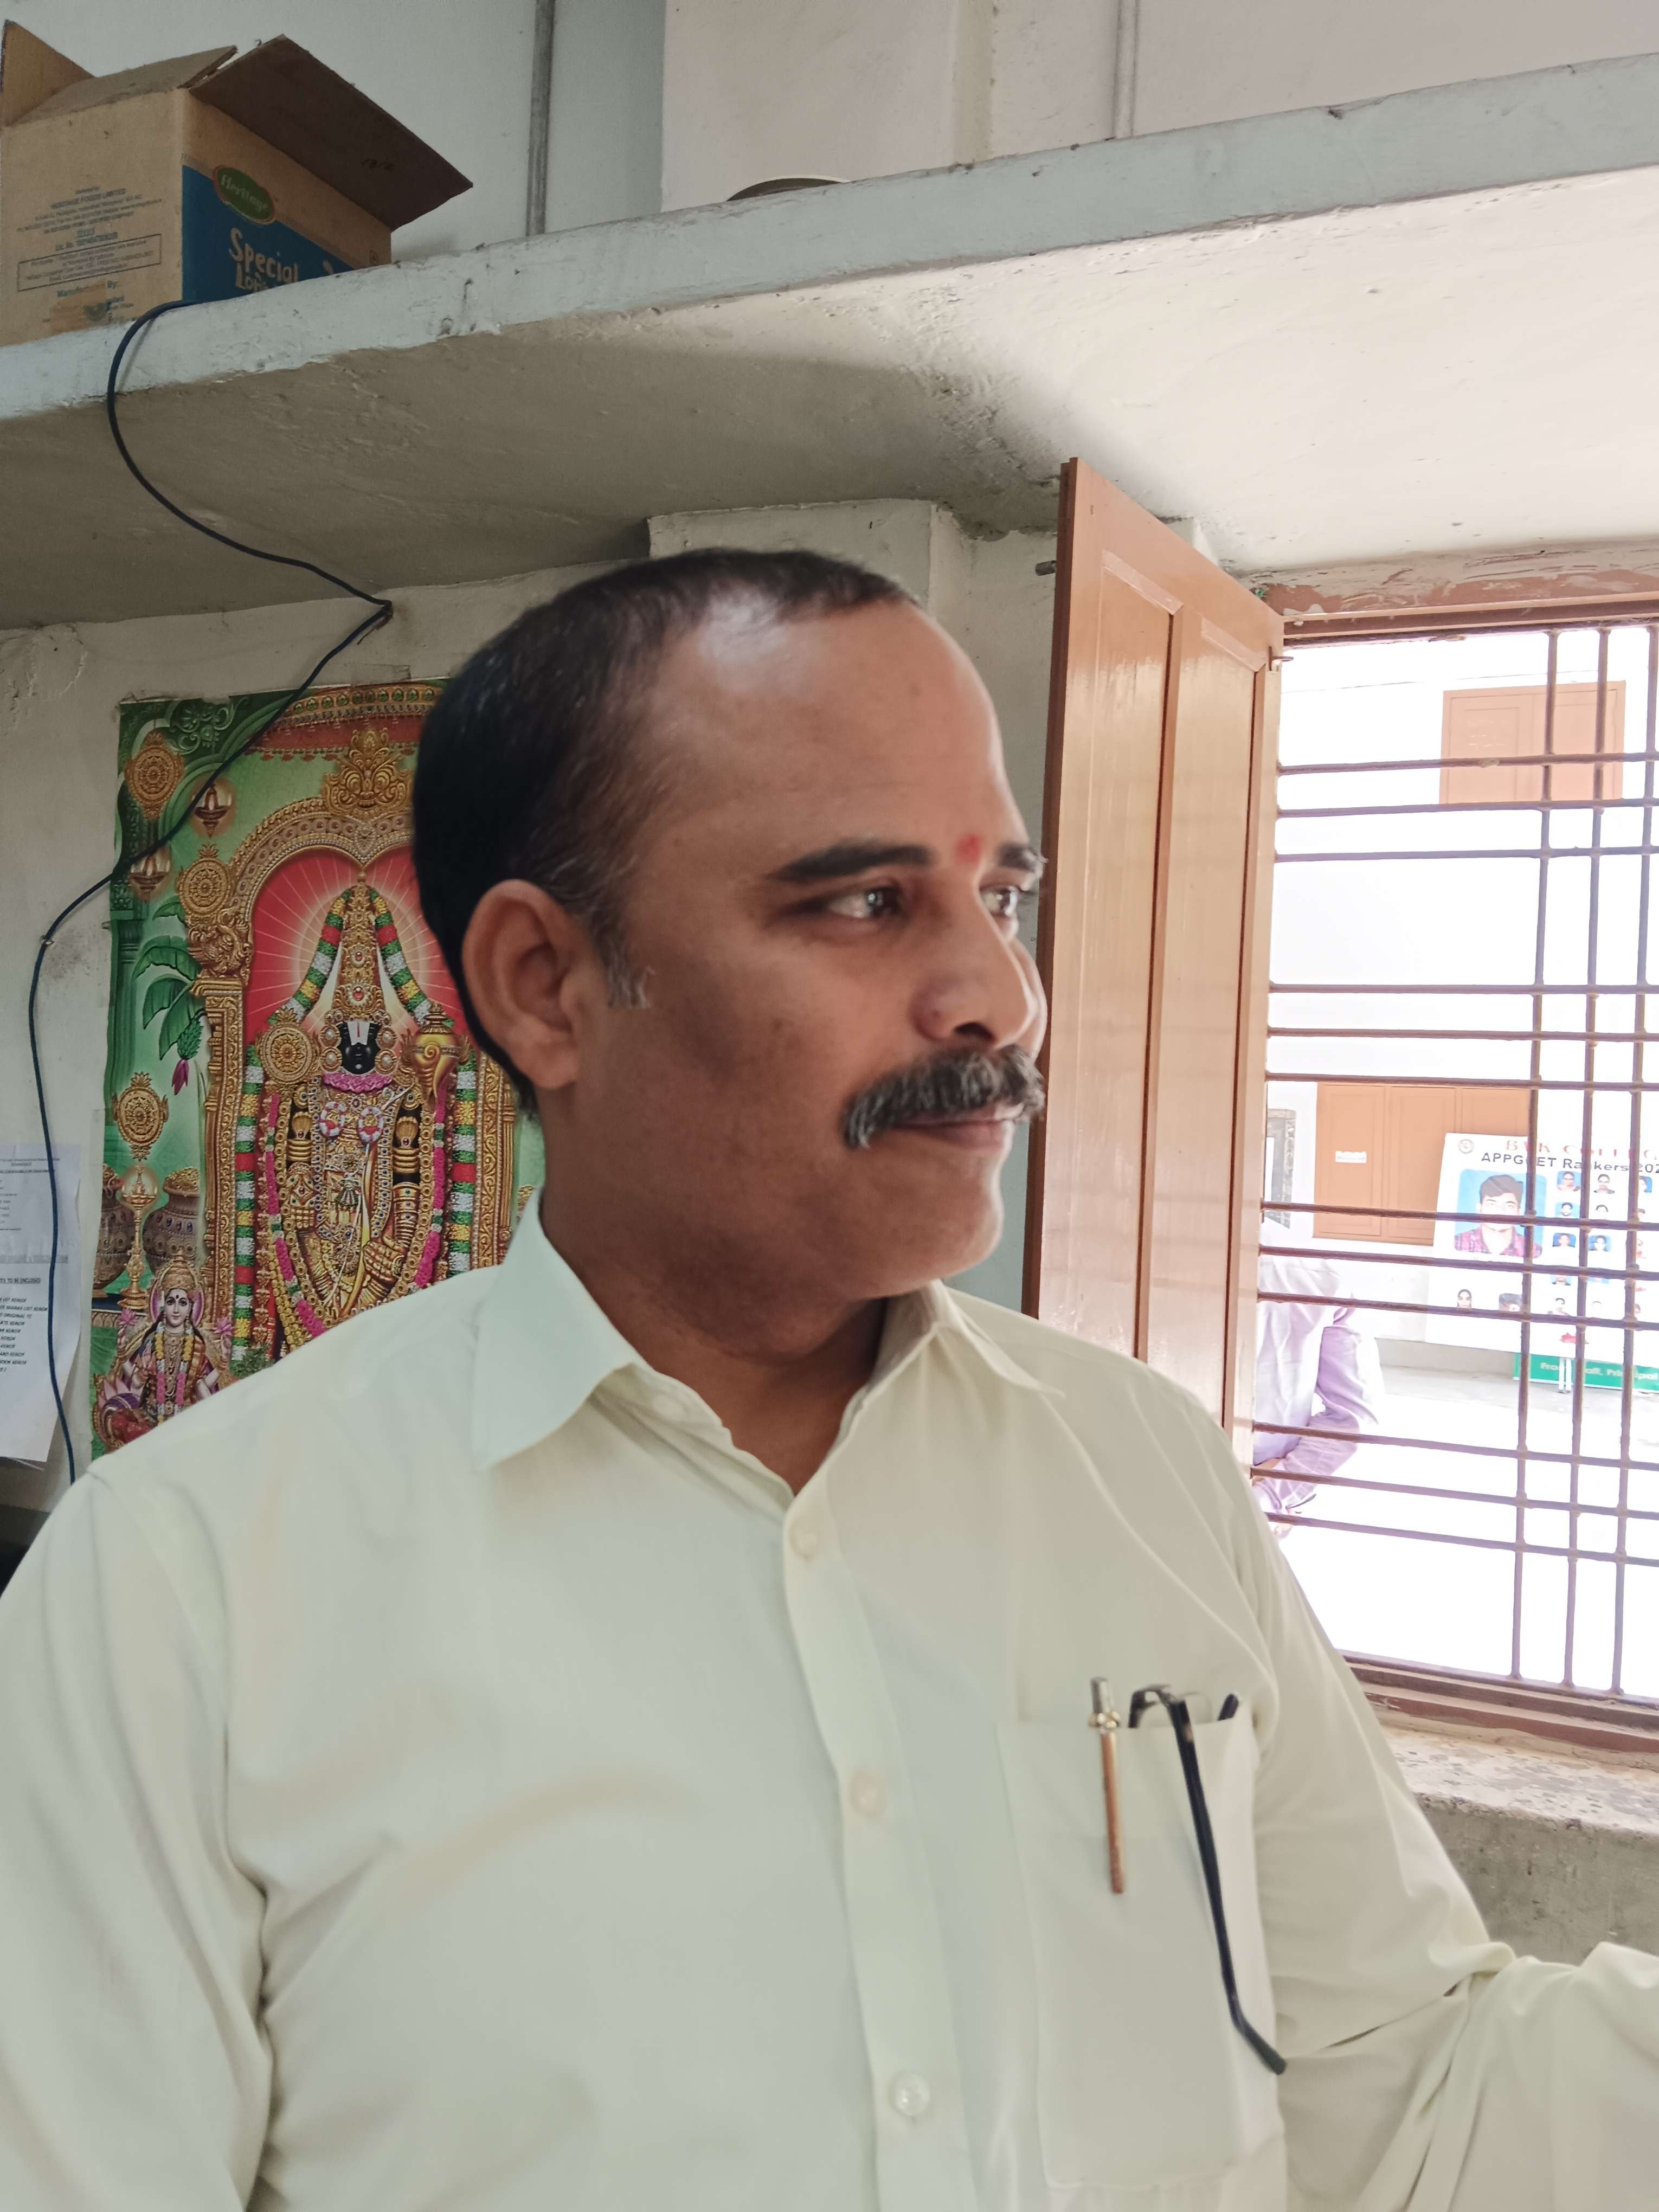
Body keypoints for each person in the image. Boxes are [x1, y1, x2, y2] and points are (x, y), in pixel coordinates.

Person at [1, 551, 1655, 2211]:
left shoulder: (1139, 1469)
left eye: (1002, 898)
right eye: (866, 902)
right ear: (545, 988)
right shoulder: (182, 1590)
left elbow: (1409, 2098)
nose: (1002, 998)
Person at [1250, 1220, 1382, 1523]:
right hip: (1253, 1484)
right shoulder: (1317, 1269)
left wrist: (1273, 1492)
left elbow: (1353, 1418)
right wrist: (1272, 1495)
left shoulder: (1143, 1244)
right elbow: (1355, 1415)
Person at [1455, 1172, 1528, 1256]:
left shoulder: (1534, 1251)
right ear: (1479, 1209)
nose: (1500, 1211)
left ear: (1519, 1212)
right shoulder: (1456, 1243)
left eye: (1509, 1206)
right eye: (1492, 1204)